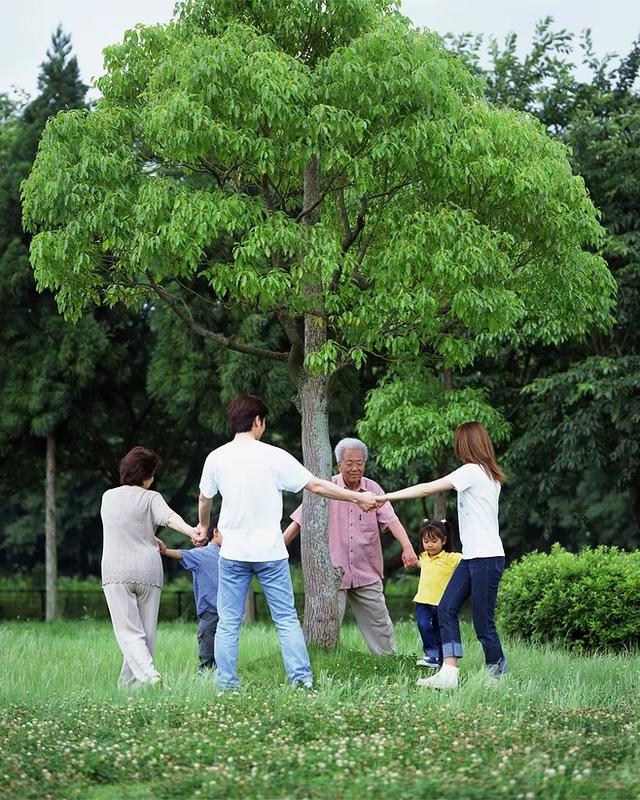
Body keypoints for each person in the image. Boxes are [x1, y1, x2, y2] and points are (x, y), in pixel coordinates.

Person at [196, 395, 377, 691]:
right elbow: (317, 485)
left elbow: (205, 498)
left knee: (228, 622)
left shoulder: (216, 457)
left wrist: (204, 527)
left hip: (232, 553)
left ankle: (226, 686)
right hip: (270, 553)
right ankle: (301, 682)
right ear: (258, 421)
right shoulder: (275, 456)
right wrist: (358, 497)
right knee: (286, 620)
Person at [377, 421, 507, 689]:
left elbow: (427, 488)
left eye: (458, 442)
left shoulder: (473, 471)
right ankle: (449, 673)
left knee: (483, 623)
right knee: (446, 608)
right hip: (471, 558)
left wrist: (385, 497)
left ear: (467, 444)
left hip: (486, 559)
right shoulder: (487, 474)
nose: (455, 447)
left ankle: (498, 677)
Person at [283, 437, 418, 655]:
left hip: (367, 570)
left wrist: (408, 547)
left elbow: (391, 520)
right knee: (325, 624)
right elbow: (299, 520)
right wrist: (279, 549)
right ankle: (319, 661)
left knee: (380, 625)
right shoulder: (326, 487)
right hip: (333, 573)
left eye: (359, 463)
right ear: (339, 464)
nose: (355, 468)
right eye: (349, 463)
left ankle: (390, 664)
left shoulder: (373, 488)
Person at [101, 446, 203, 689]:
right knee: (146, 635)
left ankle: (148, 675)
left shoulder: (108, 496)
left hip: (117, 571)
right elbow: (169, 518)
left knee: (128, 633)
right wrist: (192, 531)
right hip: (148, 570)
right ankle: (128, 688)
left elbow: (122, 526)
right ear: (146, 477)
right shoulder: (152, 498)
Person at [157, 517, 222, 673]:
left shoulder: (234, 556)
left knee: (225, 654)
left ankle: (224, 679)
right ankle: (204, 678)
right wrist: (164, 551)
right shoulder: (202, 554)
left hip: (229, 614)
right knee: (207, 655)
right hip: (210, 612)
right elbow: (181, 554)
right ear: (216, 532)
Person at [413, 519, 462, 669]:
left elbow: (466, 560)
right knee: (424, 625)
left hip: (441, 603)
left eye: (434, 541)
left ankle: (442, 661)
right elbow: (416, 563)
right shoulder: (423, 556)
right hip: (422, 601)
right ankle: (431, 654)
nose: (430, 545)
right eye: (426, 541)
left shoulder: (451, 558)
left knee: (440, 632)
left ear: (444, 540)